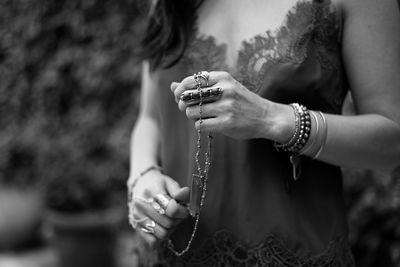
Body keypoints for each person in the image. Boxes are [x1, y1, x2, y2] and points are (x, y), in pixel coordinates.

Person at [127, 0, 400, 266]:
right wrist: (143, 176)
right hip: (173, 252)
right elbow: (149, 119)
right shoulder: (166, 4)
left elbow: (392, 140)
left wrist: (271, 119)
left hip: (295, 252)